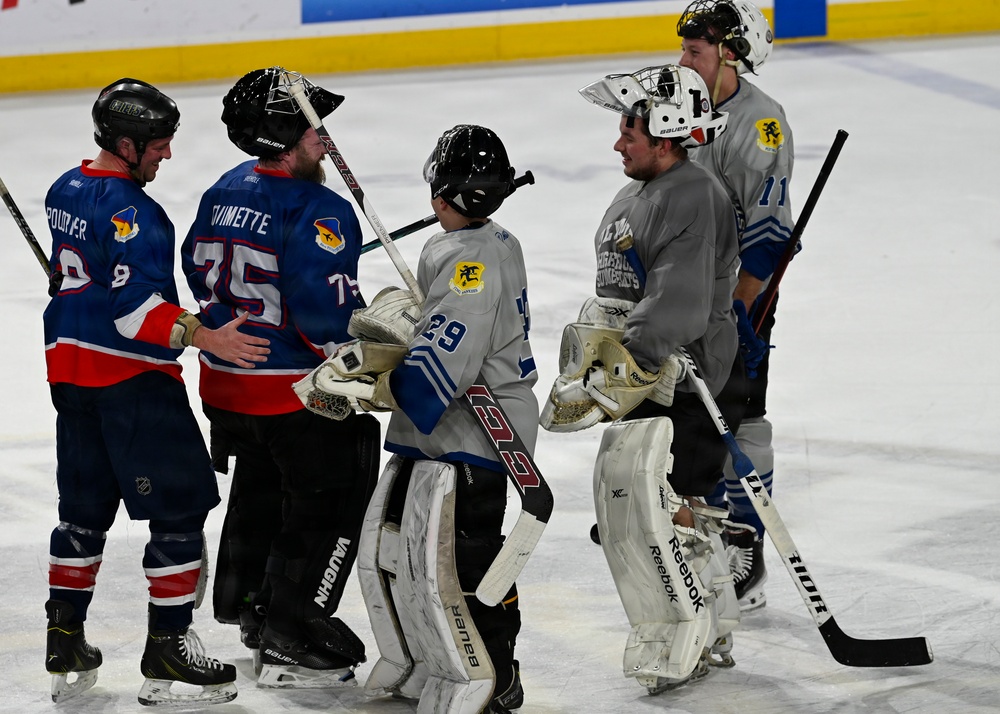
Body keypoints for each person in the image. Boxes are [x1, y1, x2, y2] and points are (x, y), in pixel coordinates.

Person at [43, 77, 270, 706]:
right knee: (178, 513)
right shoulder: (137, 214)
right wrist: (206, 336)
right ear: (126, 142)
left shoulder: (64, 187)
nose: (166, 155)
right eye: (159, 144)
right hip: (132, 383)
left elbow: (87, 277)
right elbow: (132, 311)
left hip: (70, 376)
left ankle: (64, 635)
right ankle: (168, 649)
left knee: (82, 512)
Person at [301, 124, 536, 713]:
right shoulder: (473, 244)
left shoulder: (471, 261)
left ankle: (497, 670)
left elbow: (445, 364)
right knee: (405, 549)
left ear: (442, 192)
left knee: (468, 556)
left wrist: (380, 381)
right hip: (443, 430)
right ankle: (425, 657)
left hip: (480, 433)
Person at [541, 63, 746, 692]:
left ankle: (702, 627)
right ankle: (699, 626)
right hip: (644, 376)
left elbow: (677, 306)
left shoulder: (693, 195)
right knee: (640, 511)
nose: (617, 141)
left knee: (673, 513)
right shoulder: (636, 191)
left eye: (629, 128)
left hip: (685, 383)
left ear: (666, 132)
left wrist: (623, 365)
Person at [180, 67, 381, 689]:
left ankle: (246, 604)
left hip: (224, 387)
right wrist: (367, 342)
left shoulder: (224, 187)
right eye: (312, 124)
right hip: (287, 393)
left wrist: (237, 317)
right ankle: (291, 622)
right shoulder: (321, 208)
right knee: (337, 477)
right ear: (284, 134)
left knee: (262, 478)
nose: (324, 135)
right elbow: (324, 318)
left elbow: (196, 266)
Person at [678, 0, 795, 612]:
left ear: (731, 54)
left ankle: (743, 552)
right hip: (691, 296)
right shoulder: (686, 105)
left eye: (694, 52)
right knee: (692, 420)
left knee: (741, 418)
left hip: (739, 300)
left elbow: (769, 236)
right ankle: (702, 536)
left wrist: (746, 313)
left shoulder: (761, 123)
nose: (682, 61)